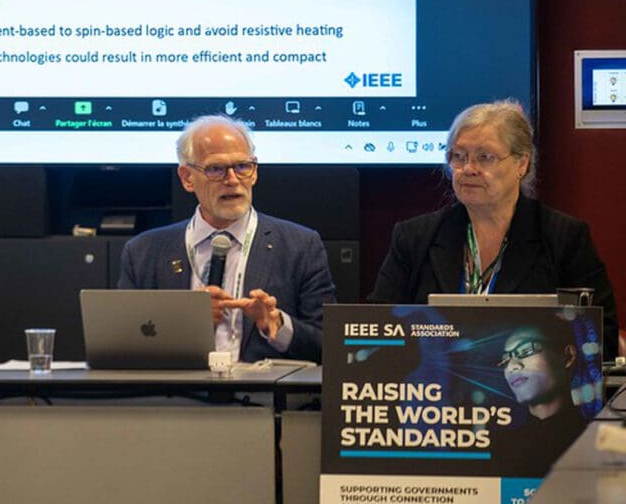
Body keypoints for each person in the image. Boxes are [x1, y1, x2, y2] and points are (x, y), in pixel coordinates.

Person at [368, 100, 619, 359]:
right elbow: (375, 330)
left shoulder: (563, 237)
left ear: (522, 164)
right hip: (434, 381)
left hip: (525, 380)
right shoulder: (414, 238)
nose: (468, 169)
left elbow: (602, 339)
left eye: (485, 157)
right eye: (459, 156)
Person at [118, 114, 335, 363]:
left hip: (260, 387)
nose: (232, 180)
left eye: (242, 166)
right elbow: (123, 344)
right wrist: (182, 322)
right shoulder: (143, 252)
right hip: (177, 386)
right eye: (216, 169)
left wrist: (278, 325)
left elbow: (330, 345)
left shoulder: (300, 246)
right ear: (187, 178)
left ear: (254, 172)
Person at [490, 321, 590, 476]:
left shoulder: (593, 439)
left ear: (568, 356)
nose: (512, 366)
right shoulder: (500, 446)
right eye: (505, 359)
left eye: (526, 350)